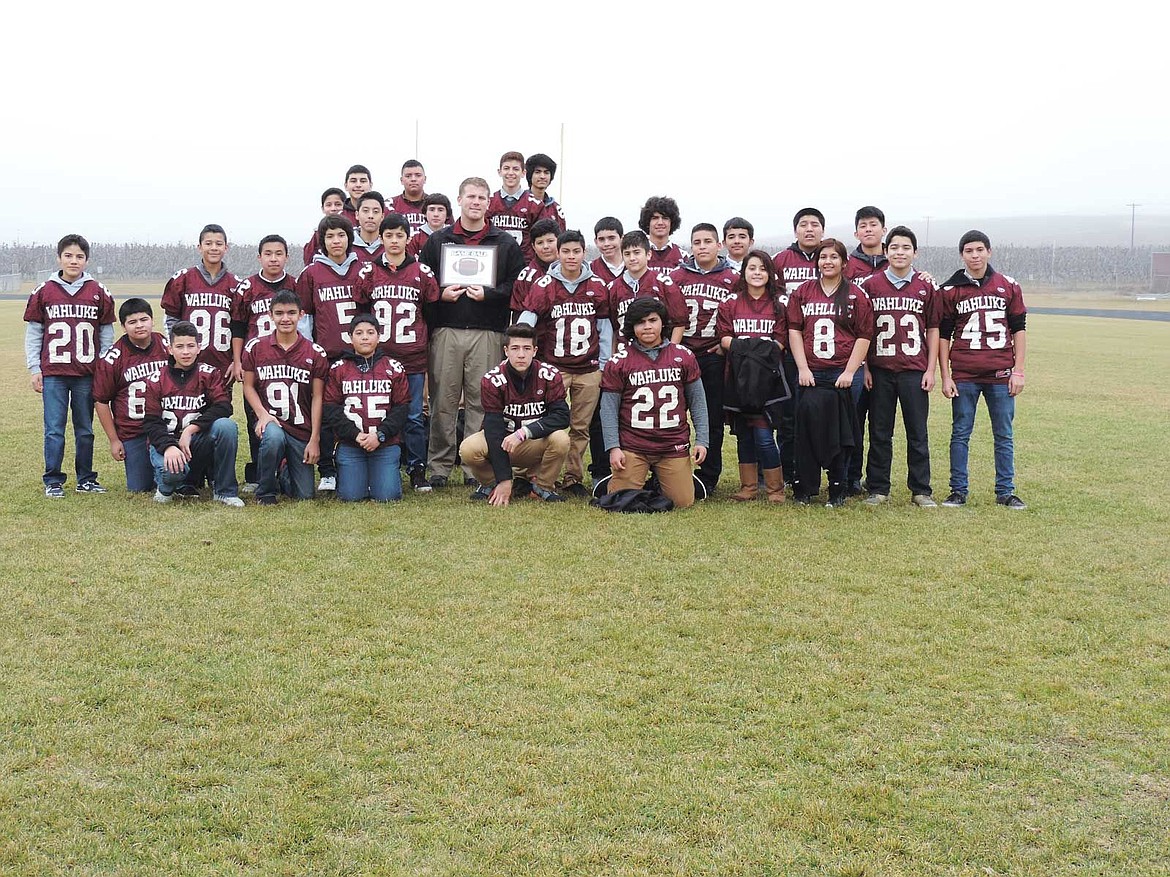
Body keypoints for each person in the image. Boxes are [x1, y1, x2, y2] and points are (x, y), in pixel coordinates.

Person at [419, 176, 526, 488]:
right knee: (443, 400)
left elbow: (516, 286)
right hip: (447, 330)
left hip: (488, 332)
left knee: (483, 401)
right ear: (460, 200)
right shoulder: (438, 241)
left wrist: (488, 294)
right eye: (471, 197)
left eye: (482, 197)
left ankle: (473, 466)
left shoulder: (504, 243)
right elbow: (423, 285)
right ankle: (438, 466)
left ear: (488, 202)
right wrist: (442, 293)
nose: (476, 202)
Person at [937, 230, 1028, 509]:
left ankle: (1005, 491)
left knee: (1003, 433)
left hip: (1000, 374)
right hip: (964, 374)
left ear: (989, 251)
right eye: (968, 251)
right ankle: (958, 490)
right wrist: (946, 375)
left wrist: (1019, 370)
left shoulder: (1008, 285)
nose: (974, 256)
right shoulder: (951, 290)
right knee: (960, 432)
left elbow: (1019, 330)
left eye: (979, 250)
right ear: (962, 255)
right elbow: (943, 335)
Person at [519, 229, 613, 496]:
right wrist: (525, 357)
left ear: (584, 253)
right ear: (558, 253)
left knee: (580, 427)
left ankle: (573, 477)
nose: (571, 256)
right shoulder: (544, 285)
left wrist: (604, 363)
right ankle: (530, 474)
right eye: (566, 251)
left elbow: (604, 329)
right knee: (541, 420)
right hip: (554, 367)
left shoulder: (597, 285)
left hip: (588, 368)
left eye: (576, 251)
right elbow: (527, 322)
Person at [354, 212, 441, 492]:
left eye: (399, 235)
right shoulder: (369, 271)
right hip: (380, 357)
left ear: (408, 238)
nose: (394, 241)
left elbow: (430, 312)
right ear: (381, 238)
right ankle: (383, 465)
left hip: (412, 357)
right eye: (388, 235)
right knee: (381, 414)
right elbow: (363, 313)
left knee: (414, 416)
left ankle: (417, 469)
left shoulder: (421, 272)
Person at [25, 233, 116, 497]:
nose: (73, 261)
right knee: (54, 429)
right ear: (59, 257)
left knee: (85, 429)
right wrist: (35, 368)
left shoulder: (98, 292)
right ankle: (53, 480)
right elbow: (34, 333)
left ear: (86, 260)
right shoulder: (44, 291)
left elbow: (106, 333)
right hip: (54, 372)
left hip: (86, 373)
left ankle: (85, 478)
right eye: (68, 255)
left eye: (79, 256)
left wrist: (102, 365)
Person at [786, 239, 874, 507]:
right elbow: (794, 330)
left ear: (844, 262)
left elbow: (864, 335)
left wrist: (850, 370)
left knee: (843, 431)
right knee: (806, 430)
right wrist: (802, 367)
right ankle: (805, 486)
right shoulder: (803, 292)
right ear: (817, 261)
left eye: (834, 257)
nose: (828, 261)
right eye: (823, 256)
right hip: (812, 371)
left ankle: (839, 486)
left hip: (842, 372)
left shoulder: (856, 295)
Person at [601, 297, 709, 510]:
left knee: (682, 502)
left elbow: (698, 402)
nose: (648, 327)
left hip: (672, 444)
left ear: (663, 322)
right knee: (620, 500)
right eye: (641, 322)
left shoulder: (683, 356)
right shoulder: (619, 361)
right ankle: (619, 478)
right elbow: (608, 409)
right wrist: (614, 448)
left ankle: (671, 478)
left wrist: (702, 440)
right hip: (634, 445)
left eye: (653, 320)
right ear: (632, 327)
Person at [862, 226, 939, 507]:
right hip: (880, 369)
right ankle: (878, 488)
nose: (899, 252)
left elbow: (932, 329)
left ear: (915, 253)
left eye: (906, 247)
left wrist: (931, 370)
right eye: (894, 247)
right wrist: (866, 368)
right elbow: (863, 331)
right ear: (885, 251)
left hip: (913, 368)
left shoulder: (925, 285)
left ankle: (921, 490)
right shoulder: (870, 285)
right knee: (880, 431)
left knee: (917, 431)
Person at [458, 324, 571, 505]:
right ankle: (493, 483)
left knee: (561, 439)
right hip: (503, 441)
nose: (521, 354)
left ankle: (542, 486)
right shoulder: (492, 380)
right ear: (506, 351)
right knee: (468, 449)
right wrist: (504, 479)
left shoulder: (549, 375)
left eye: (526, 349)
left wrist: (524, 432)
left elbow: (562, 416)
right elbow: (493, 431)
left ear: (535, 351)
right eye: (515, 348)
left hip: (532, 441)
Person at [296, 214, 365, 491]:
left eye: (341, 235)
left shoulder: (364, 269)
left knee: (360, 411)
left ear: (350, 239)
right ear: (322, 242)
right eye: (330, 236)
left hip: (358, 355)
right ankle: (327, 469)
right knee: (324, 413)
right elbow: (304, 317)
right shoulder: (311, 273)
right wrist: (309, 351)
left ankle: (361, 464)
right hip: (327, 354)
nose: (336, 241)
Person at [241, 291, 330, 505]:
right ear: (270, 316)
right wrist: (262, 415)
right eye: (279, 313)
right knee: (273, 438)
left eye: (291, 313)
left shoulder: (315, 352)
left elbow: (318, 397)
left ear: (301, 315)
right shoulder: (256, 347)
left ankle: (283, 471)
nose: (285, 318)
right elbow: (248, 386)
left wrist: (314, 439)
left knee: (305, 495)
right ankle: (265, 491)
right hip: (273, 423)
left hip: (301, 428)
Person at [670, 223, 739, 496]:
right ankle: (670, 467)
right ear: (690, 246)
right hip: (682, 352)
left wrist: (725, 346)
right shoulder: (677, 276)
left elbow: (742, 314)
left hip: (712, 355)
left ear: (718, 245)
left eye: (707, 241)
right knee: (672, 414)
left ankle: (708, 475)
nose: (702, 246)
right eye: (697, 242)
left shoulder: (733, 277)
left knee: (710, 417)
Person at [142, 320, 242, 506]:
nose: (186, 352)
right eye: (179, 347)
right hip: (167, 442)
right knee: (172, 471)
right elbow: (151, 422)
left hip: (195, 442)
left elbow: (224, 406)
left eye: (190, 346)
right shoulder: (156, 379)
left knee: (226, 426)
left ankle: (224, 491)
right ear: (170, 349)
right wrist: (169, 446)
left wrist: (190, 430)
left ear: (199, 348)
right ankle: (166, 488)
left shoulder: (208, 374)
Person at [717, 250, 787, 502]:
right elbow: (724, 338)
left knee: (765, 436)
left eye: (763, 269)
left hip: (768, 380)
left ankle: (775, 488)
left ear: (770, 273)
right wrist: (757, 347)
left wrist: (746, 347)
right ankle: (748, 487)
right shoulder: (730, 303)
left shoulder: (780, 304)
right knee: (744, 434)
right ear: (743, 272)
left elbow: (780, 342)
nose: (757, 273)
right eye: (752, 268)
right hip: (737, 377)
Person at [231, 234, 299, 490]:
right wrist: (237, 360)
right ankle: (261, 471)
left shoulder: (295, 284)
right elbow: (237, 326)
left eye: (279, 253)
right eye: (268, 253)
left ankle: (287, 468)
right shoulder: (247, 287)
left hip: (288, 360)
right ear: (259, 257)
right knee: (255, 418)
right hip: (255, 361)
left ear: (286, 257)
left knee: (289, 412)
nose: (273, 258)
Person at [322, 314, 411, 502]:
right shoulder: (338, 368)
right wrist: (354, 434)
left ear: (378, 337)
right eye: (359, 333)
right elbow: (331, 408)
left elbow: (401, 408)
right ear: (350, 337)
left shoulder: (393, 367)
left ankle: (380, 476)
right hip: (351, 443)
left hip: (384, 443)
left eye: (370, 332)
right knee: (350, 496)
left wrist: (380, 435)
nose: (365, 337)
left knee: (387, 496)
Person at [771, 207, 825, 487]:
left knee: (822, 415)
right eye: (803, 224)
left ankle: (832, 473)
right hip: (789, 351)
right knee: (789, 415)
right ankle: (788, 472)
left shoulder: (833, 258)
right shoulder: (780, 260)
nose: (809, 229)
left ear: (823, 231)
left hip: (824, 352)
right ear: (795, 231)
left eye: (815, 224)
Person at [94, 298, 170, 494]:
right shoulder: (113, 358)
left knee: (180, 478)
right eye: (132, 322)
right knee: (139, 487)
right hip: (134, 431)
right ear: (123, 326)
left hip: (166, 427)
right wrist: (114, 440)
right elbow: (101, 401)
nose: (139, 326)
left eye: (143, 319)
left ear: (153, 320)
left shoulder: (165, 345)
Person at [160, 224, 241, 380]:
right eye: (208, 243)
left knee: (221, 404)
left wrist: (236, 360)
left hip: (222, 363)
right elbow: (171, 319)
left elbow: (239, 327)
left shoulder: (237, 284)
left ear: (226, 247)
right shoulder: (183, 279)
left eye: (218, 244)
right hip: (188, 362)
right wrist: (177, 351)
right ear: (199, 247)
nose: (214, 248)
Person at [607, 230, 687, 345]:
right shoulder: (613, 288)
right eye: (627, 254)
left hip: (658, 353)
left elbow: (679, 323)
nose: (632, 258)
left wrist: (671, 351)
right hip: (625, 354)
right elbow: (614, 328)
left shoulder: (664, 283)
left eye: (636, 252)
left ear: (648, 254)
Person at [487, 150, 542, 261]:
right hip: (494, 263)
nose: (511, 173)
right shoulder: (489, 202)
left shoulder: (535, 205)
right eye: (506, 168)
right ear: (499, 172)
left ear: (523, 173)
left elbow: (541, 238)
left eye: (516, 169)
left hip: (524, 263)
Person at [509, 218, 562, 314]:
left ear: (559, 241)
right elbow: (519, 313)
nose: (545, 246)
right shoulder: (526, 277)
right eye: (540, 243)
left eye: (550, 241)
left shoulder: (574, 270)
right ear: (533, 247)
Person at [638, 195, 687, 271]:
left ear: (672, 223)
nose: (660, 222)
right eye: (655, 218)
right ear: (648, 222)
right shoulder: (637, 254)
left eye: (665, 218)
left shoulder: (683, 256)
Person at [303, 187, 346, 264]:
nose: (333, 209)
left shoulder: (353, 230)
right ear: (323, 209)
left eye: (338, 204)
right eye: (328, 205)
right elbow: (308, 260)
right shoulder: (317, 235)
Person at [524, 153, 566, 231]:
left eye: (546, 172)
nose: (542, 176)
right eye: (538, 172)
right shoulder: (520, 203)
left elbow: (561, 238)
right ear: (530, 175)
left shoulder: (556, 208)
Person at [389, 159, 428, 235]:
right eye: (408, 176)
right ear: (401, 180)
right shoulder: (389, 205)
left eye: (418, 175)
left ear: (425, 179)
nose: (413, 179)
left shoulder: (437, 204)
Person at [407, 193, 452, 257]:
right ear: (425, 213)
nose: (436, 214)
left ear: (447, 214)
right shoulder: (416, 238)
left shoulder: (453, 236)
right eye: (432, 209)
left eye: (440, 210)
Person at [351, 192, 386, 263]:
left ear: (382, 217)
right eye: (365, 211)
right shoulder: (347, 243)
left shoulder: (390, 243)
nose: (370, 216)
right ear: (357, 215)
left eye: (375, 211)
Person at [590, 217, 625, 285]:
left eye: (611, 238)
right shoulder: (590, 270)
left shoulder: (634, 266)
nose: (606, 244)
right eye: (601, 239)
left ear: (622, 239)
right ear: (596, 242)